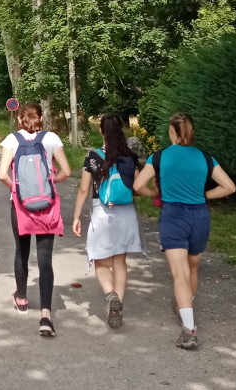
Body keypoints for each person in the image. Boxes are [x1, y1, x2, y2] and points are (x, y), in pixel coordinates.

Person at [133, 112, 236, 350]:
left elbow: (139, 186)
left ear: (172, 131)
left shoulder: (158, 157)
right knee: (192, 268)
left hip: (173, 216)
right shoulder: (205, 158)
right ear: (191, 132)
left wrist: (155, 194)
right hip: (199, 216)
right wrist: (204, 196)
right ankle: (185, 307)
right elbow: (229, 186)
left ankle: (189, 330)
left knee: (179, 273)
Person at [0, 102, 71, 336]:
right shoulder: (51, 139)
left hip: (21, 205)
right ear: (41, 118)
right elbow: (66, 171)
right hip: (46, 205)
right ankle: (46, 315)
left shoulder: (12, 140)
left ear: (20, 119)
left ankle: (21, 298)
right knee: (45, 257)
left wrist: (17, 190)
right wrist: (50, 183)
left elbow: (2, 174)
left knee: (21, 252)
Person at [71, 113, 144, 330]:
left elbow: (84, 188)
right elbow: (139, 187)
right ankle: (117, 304)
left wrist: (76, 217)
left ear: (101, 131)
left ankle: (110, 296)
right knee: (120, 261)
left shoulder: (93, 157)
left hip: (102, 212)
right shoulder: (130, 157)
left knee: (101, 261)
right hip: (127, 213)